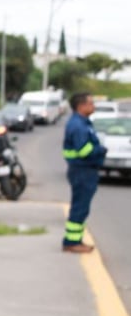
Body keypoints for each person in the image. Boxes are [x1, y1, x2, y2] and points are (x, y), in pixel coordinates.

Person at [61, 92, 106, 253]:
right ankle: (71, 242)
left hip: (84, 170)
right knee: (80, 207)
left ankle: (75, 239)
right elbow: (84, 150)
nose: (93, 106)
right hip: (82, 171)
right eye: (91, 103)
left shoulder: (83, 123)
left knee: (82, 207)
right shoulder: (78, 126)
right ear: (81, 106)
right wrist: (100, 150)